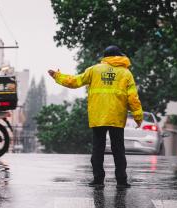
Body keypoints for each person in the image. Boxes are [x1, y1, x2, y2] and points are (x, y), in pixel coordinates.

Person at [48, 45, 143, 188]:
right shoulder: (126, 73)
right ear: (119, 56)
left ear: (105, 57)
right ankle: (121, 181)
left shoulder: (94, 70)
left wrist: (57, 76)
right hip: (116, 117)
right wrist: (138, 117)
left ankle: (98, 180)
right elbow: (133, 98)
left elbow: (75, 81)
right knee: (119, 150)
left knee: (98, 149)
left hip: (98, 116)